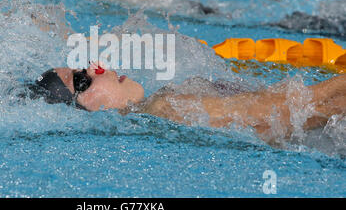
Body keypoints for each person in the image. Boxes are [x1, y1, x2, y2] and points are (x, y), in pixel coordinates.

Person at [22, 65, 346, 143]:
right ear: (83, 113)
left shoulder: (165, 107)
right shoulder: (166, 109)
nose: (96, 66)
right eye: (83, 80)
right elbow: (296, 107)